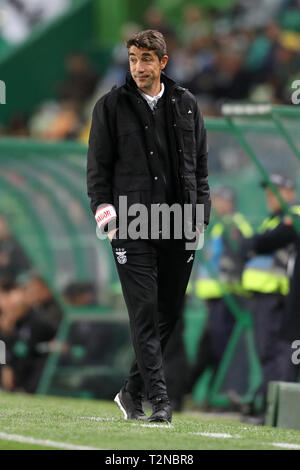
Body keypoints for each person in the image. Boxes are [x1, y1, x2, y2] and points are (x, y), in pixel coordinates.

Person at [87, 30, 210, 423]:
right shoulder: (109, 106)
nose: (138, 67)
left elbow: (200, 170)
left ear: (163, 62)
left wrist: (199, 217)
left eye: (146, 59)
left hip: (179, 225)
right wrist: (105, 212)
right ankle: (159, 401)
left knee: (168, 313)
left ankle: (129, 391)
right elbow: (98, 169)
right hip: (131, 224)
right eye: (133, 59)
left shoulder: (187, 104)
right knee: (144, 310)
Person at [241, 173, 298, 422]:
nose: (269, 197)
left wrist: (255, 244)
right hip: (262, 296)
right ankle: (264, 404)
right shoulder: (273, 220)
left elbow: (266, 242)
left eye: (275, 191)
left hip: (276, 296)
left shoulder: (293, 216)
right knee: (267, 352)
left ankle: (269, 407)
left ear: (288, 192)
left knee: (276, 352)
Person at [188, 186, 253, 397]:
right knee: (211, 346)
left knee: (223, 346)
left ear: (229, 202)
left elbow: (239, 258)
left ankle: (227, 391)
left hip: (228, 297)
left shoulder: (234, 225)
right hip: (216, 298)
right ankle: (214, 391)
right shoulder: (219, 226)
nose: (215, 204)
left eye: (218, 200)